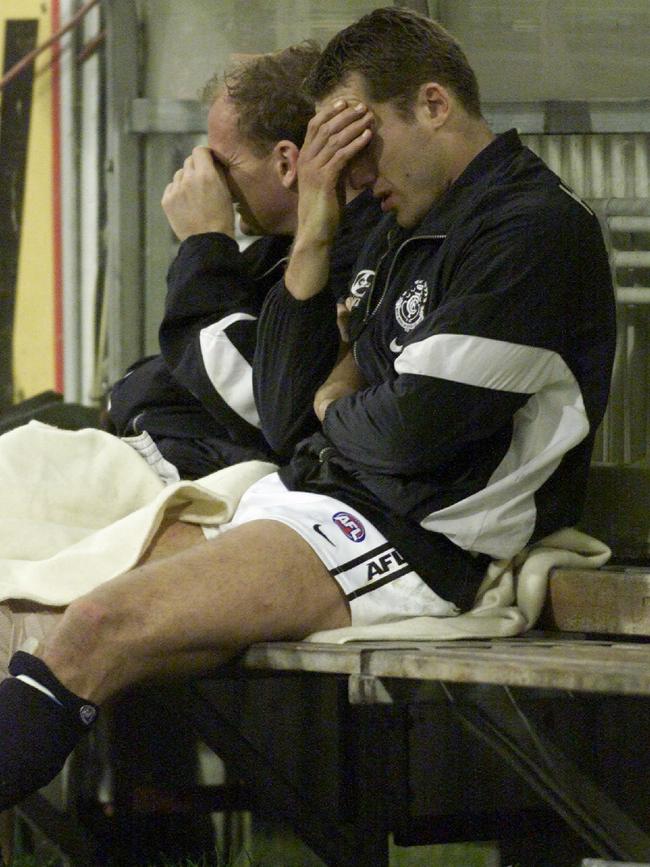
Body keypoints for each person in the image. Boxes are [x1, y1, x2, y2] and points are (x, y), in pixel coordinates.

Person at [0, 6, 615, 810]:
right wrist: (316, 233)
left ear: (434, 104)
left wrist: (334, 407)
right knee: (29, 604)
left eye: (363, 151)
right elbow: (293, 412)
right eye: (338, 162)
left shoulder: (531, 230)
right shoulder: (400, 223)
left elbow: (408, 431)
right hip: (313, 497)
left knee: (92, 627)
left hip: (416, 536)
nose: (359, 181)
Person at [106, 42, 380, 479]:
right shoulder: (280, 247)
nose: (212, 179)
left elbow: (254, 398)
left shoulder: (361, 253)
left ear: (287, 162)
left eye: (222, 162)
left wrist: (205, 244)